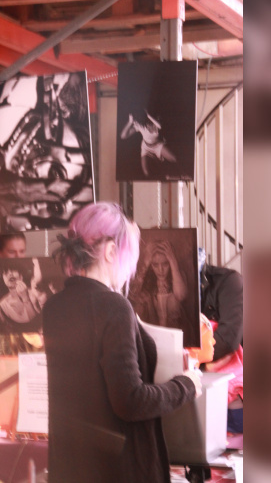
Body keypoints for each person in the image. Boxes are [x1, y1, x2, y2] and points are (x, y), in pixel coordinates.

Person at [43, 202, 201, 483]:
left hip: (71, 466)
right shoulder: (113, 307)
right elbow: (130, 401)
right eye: (129, 256)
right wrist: (186, 385)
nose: (129, 270)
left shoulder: (54, 307)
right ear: (111, 251)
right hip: (118, 470)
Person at [132, 240, 188, 328]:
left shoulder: (178, 276)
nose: (160, 270)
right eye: (155, 265)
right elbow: (133, 294)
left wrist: (173, 261)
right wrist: (145, 264)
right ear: (151, 266)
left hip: (179, 332)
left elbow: (180, 295)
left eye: (165, 264)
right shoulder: (150, 282)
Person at [119, 111, 177, 177]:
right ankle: (156, 161)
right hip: (146, 148)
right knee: (146, 173)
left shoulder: (157, 124)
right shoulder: (140, 126)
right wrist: (130, 122)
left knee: (174, 159)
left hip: (158, 146)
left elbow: (160, 126)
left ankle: (160, 162)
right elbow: (123, 136)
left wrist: (148, 115)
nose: (148, 126)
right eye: (147, 124)